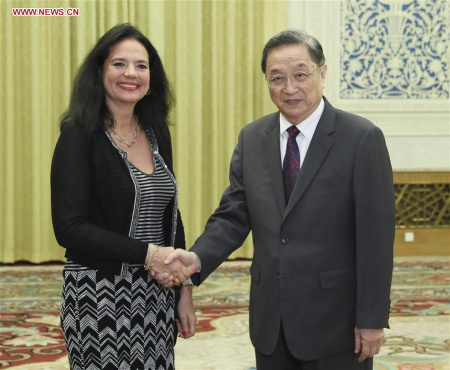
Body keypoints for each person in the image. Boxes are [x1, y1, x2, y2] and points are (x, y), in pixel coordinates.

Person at [157, 29, 395, 369]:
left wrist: (371, 318)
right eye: (277, 78)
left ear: (322, 73)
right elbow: (233, 215)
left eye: (301, 74)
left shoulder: (360, 138)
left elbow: (377, 237)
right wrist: (197, 258)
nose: (290, 88)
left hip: (336, 323)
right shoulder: (253, 138)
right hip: (271, 321)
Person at [51, 24, 196, 370]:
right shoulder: (78, 135)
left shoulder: (157, 131)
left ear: (151, 76)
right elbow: (69, 228)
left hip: (156, 294)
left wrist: (184, 288)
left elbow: (170, 214)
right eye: (119, 64)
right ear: (99, 71)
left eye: (141, 65)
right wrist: (149, 255)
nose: (131, 73)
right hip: (97, 295)